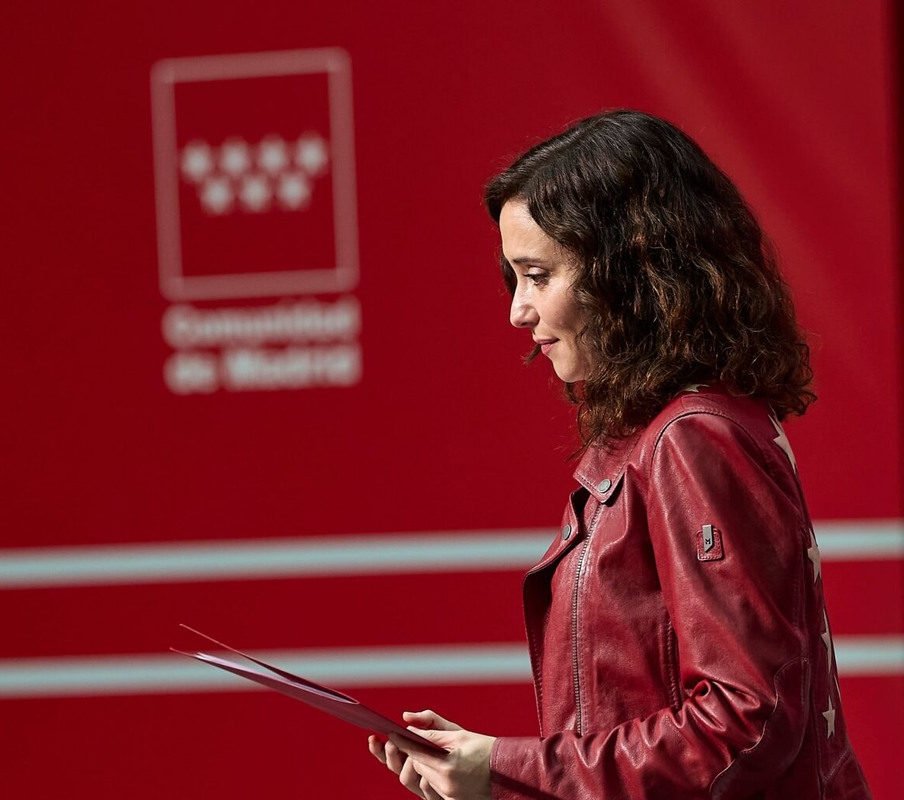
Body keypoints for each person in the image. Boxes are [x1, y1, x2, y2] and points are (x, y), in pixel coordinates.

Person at [368, 110, 872, 799]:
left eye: (538, 275)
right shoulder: (678, 427)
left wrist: (509, 769)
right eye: (515, 277)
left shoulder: (693, 436)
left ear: (630, 271)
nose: (518, 309)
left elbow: (744, 726)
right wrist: (496, 777)